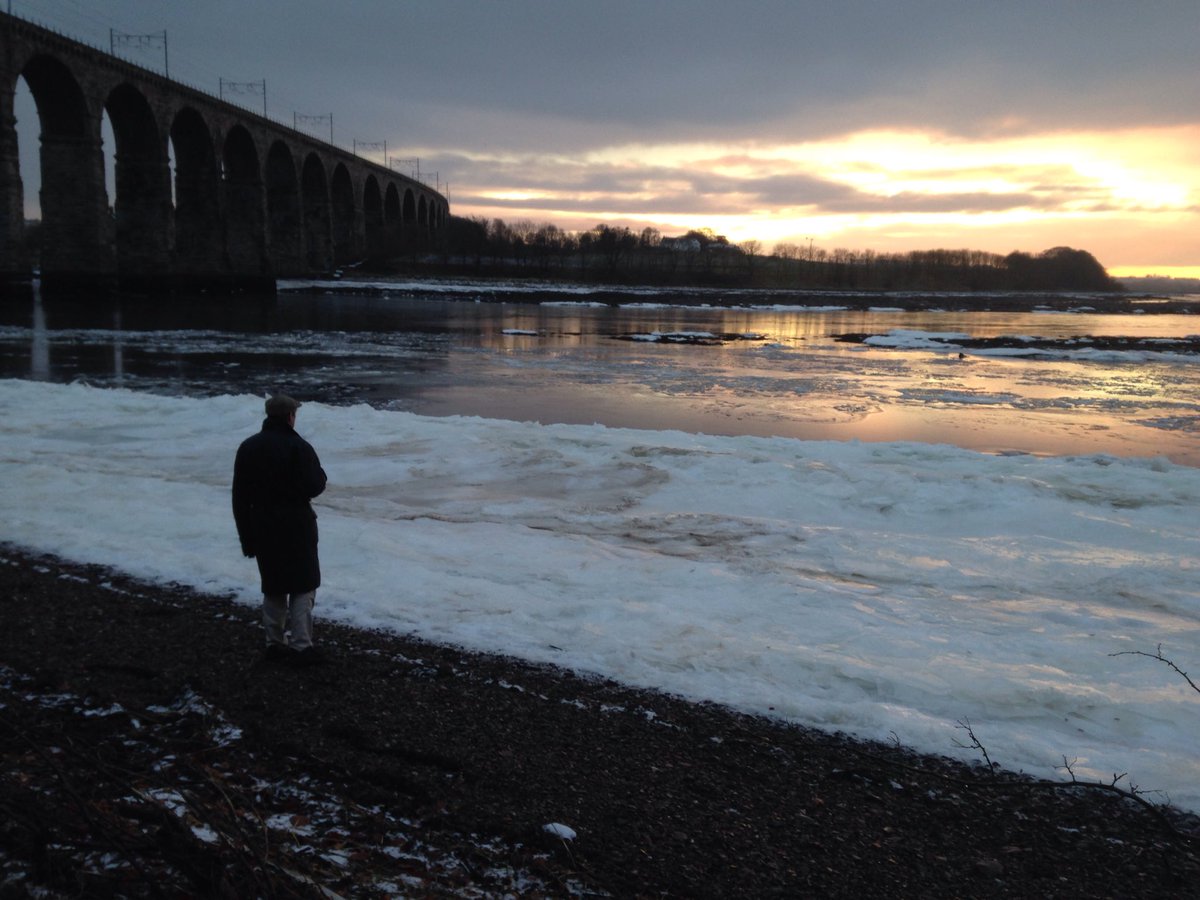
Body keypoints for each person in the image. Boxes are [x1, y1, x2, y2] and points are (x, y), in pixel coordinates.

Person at [232, 394, 328, 665]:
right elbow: (315, 485)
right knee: (303, 585)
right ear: (290, 416)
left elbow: (239, 497)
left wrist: (246, 538)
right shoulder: (299, 446)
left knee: (273, 585)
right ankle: (301, 646)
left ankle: (274, 644)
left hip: (262, 524)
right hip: (297, 524)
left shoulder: (248, 447)